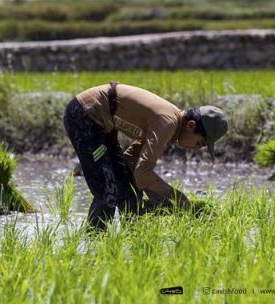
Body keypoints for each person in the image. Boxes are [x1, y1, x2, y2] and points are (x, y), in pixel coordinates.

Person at [63, 82, 228, 229]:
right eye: (199, 143)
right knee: (108, 192)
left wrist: (159, 201)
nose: (196, 149)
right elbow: (143, 173)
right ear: (191, 126)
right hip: (85, 116)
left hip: (103, 125)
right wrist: (179, 199)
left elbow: (131, 162)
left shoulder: (169, 127)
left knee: (129, 196)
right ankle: (93, 246)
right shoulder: (167, 123)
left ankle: (129, 245)